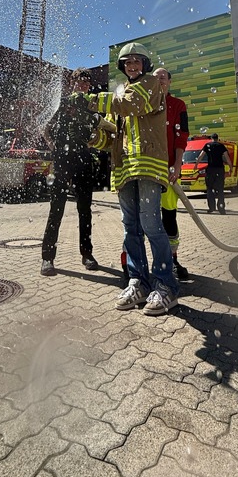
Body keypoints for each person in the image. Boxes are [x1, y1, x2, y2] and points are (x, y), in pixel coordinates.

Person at [89, 42, 179, 315]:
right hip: (124, 168)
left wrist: (90, 100)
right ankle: (138, 282)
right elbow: (111, 138)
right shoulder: (118, 94)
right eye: (127, 62)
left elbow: (132, 105)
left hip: (148, 166)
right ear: (122, 67)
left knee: (151, 224)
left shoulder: (151, 85)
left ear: (145, 64)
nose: (132, 65)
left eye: (137, 61)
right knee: (131, 227)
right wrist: (90, 133)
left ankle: (166, 286)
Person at [40, 68, 100, 276]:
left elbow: (98, 130)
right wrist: (52, 145)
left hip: (83, 159)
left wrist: (94, 142)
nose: (83, 85)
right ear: (72, 83)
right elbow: (45, 127)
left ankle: (87, 254)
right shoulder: (63, 102)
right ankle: (47, 258)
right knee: (56, 207)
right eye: (80, 81)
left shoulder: (93, 106)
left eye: (86, 83)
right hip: (63, 160)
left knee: (85, 209)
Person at [153, 67, 190, 280]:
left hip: (169, 171)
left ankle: (172, 260)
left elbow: (181, 136)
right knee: (147, 218)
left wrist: (177, 164)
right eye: (156, 78)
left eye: (163, 78)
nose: (159, 81)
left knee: (168, 215)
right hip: (147, 170)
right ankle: (149, 262)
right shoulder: (146, 104)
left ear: (170, 81)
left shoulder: (178, 106)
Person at [194, 133, 233, 215]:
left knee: (209, 189)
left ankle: (211, 208)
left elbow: (201, 155)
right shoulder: (221, 146)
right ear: (217, 138)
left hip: (210, 169)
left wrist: (196, 165)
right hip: (219, 169)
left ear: (211, 138)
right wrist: (230, 167)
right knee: (220, 189)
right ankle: (221, 208)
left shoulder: (207, 145)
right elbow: (227, 157)